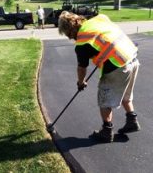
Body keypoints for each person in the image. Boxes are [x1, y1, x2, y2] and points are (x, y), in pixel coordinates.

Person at [58, 11, 140, 143]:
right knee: (125, 94)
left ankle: (107, 132)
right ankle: (132, 120)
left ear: (70, 30)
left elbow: (82, 67)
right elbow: (107, 36)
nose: (69, 38)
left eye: (68, 34)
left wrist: (81, 82)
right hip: (132, 58)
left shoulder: (82, 42)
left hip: (117, 65)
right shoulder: (98, 19)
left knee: (104, 100)